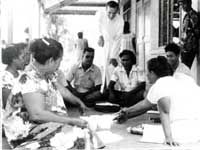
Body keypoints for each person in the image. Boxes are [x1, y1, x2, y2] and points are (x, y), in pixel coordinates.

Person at [3, 38, 88, 149]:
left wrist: (78, 102)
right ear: (50, 61)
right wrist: (71, 121)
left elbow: (62, 90)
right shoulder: (29, 79)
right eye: (60, 60)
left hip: (40, 124)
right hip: (25, 133)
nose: (60, 64)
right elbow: (37, 115)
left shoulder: (47, 75)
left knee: (83, 133)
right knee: (75, 139)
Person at [115, 56, 200, 145]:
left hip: (185, 129)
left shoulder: (161, 83)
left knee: (157, 131)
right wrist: (127, 111)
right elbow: (146, 104)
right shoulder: (183, 78)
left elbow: (165, 111)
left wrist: (168, 138)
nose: (147, 75)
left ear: (152, 73)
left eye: (147, 72)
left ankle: (145, 130)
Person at [97, 0, 124, 91]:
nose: (111, 15)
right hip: (103, 45)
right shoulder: (101, 15)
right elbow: (98, 26)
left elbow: (118, 39)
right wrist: (100, 35)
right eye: (109, 13)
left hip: (113, 46)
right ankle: (100, 89)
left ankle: (111, 90)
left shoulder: (120, 20)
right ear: (106, 10)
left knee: (111, 68)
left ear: (117, 12)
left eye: (114, 13)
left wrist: (113, 56)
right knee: (101, 67)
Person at [2, 43, 30, 109]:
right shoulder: (4, 79)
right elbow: (10, 103)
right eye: (23, 57)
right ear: (14, 59)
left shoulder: (22, 74)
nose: (26, 61)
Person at [180, 0, 200, 68]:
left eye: (184, 4)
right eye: (182, 4)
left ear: (189, 4)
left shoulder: (193, 15)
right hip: (185, 46)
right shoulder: (186, 16)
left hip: (190, 47)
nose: (183, 6)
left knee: (185, 68)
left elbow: (197, 31)